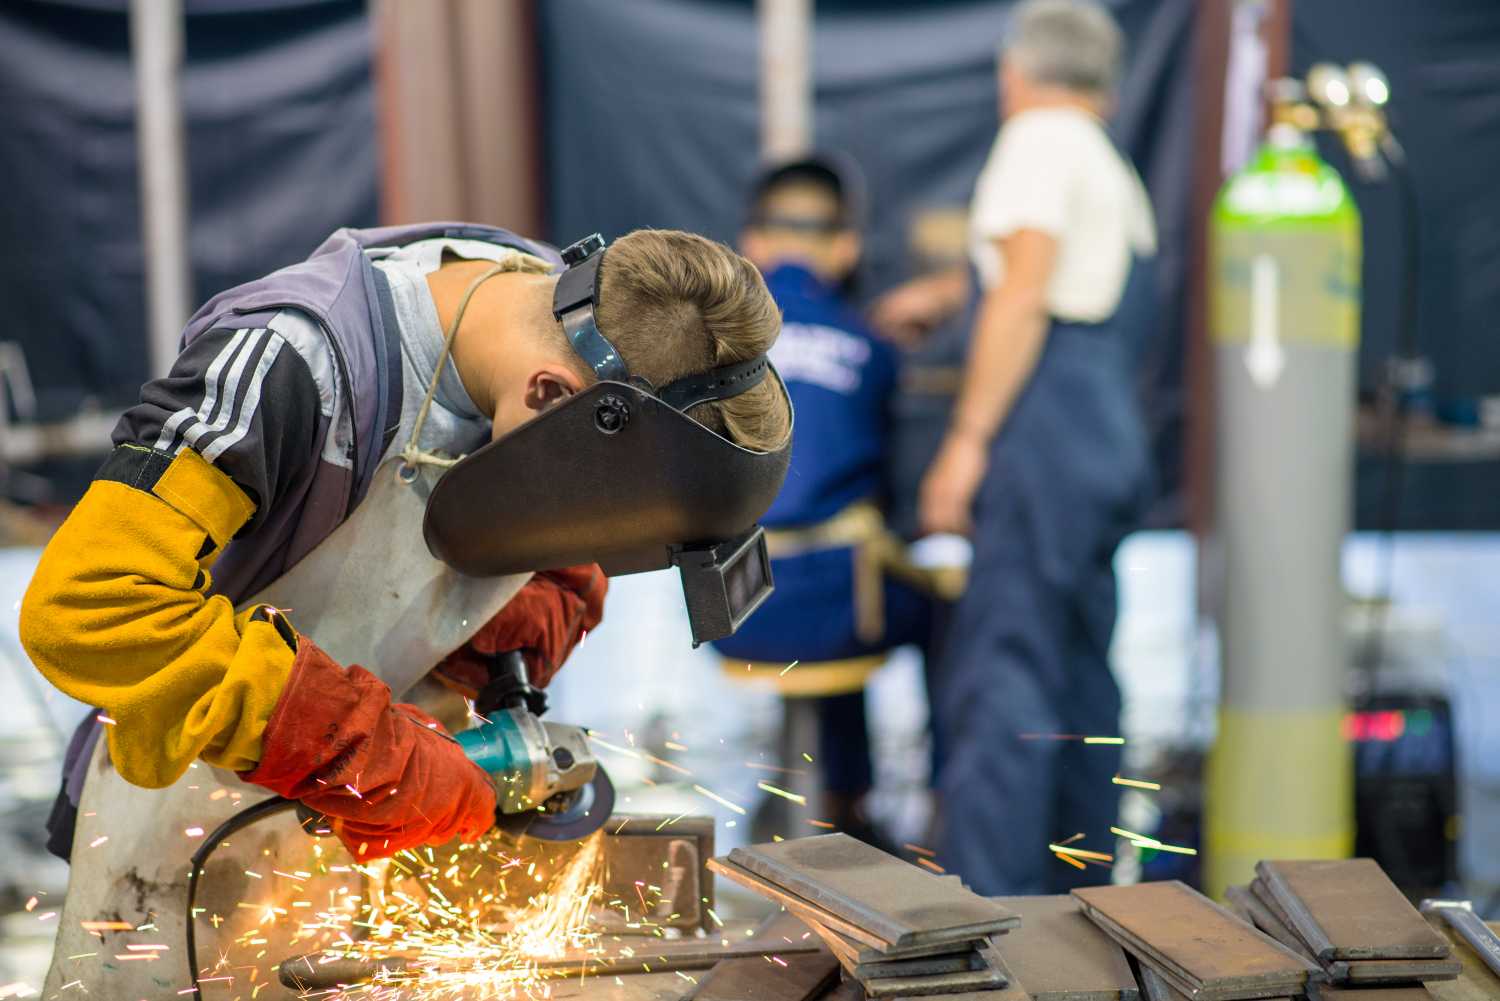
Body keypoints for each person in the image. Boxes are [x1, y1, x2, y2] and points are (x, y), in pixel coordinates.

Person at [20, 223, 791, 865]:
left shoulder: (566, 320)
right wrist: (365, 751)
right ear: (550, 396)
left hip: (363, 836)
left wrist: (504, 627)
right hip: (178, 828)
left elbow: (544, 495)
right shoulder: (293, 365)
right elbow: (88, 608)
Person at [873, 0, 1157, 893]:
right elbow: (1055, 273)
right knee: (1078, 675)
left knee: (1000, 672)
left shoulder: (1034, 139)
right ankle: (1081, 904)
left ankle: (984, 922)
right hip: (1103, 432)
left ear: (1015, 72)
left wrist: (965, 442)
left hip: (1043, 434)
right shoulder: (1105, 162)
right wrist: (959, 291)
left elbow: (1028, 291)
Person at [713, 156, 933, 846]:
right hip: (844, 609)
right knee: (953, 606)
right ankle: (884, 803)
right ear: (846, 246)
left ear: (753, 243)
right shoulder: (871, 345)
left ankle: (802, 795)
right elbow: (891, 489)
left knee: (831, 566)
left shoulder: (707, 347)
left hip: (734, 608)